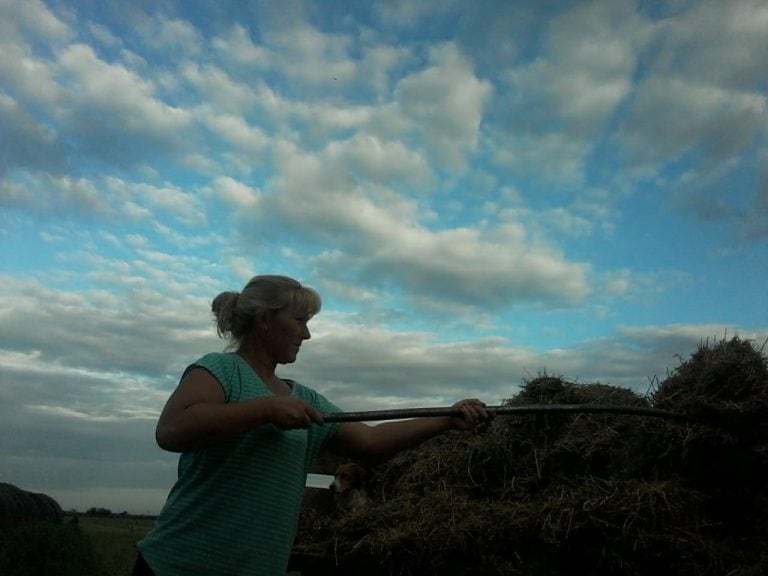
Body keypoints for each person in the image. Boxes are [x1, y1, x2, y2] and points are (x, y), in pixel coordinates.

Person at [135, 274, 491, 575]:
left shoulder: (303, 397)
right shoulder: (220, 370)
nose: (306, 335)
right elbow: (172, 430)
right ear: (264, 320)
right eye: (300, 320)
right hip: (180, 564)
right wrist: (267, 410)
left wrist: (446, 418)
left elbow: (370, 440)